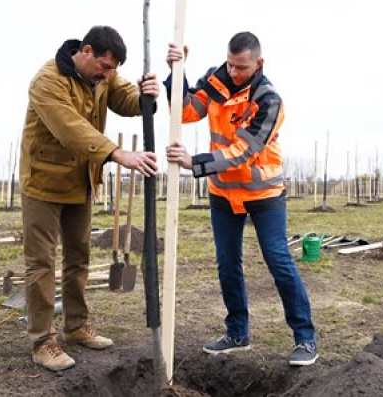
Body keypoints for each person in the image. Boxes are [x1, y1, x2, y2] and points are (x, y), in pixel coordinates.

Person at [164, 32, 318, 366]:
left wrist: (196, 163)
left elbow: (243, 152)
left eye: (242, 67)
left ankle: (305, 339)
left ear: (258, 63)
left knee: (278, 261)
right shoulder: (217, 79)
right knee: (227, 263)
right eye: (231, 65)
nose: (234, 73)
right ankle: (237, 333)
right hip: (222, 192)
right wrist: (178, 73)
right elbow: (188, 111)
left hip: (263, 194)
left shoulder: (269, 101)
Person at [19, 25, 159, 372]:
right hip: (44, 183)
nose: (109, 75)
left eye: (114, 70)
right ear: (85, 51)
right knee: (41, 263)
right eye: (106, 67)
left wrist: (148, 94)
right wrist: (115, 153)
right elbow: (70, 128)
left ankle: (77, 326)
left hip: (80, 183)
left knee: (78, 258)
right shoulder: (47, 81)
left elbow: (128, 101)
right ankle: (42, 342)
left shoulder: (103, 78)